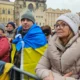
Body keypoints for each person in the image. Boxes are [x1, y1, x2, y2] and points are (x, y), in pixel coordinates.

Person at [35, 13, 80, 80]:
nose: (59, 27)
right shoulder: (51, 44)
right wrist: (49, 77)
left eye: (63, 24)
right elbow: (40, 68)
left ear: (72, 28)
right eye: (57, 25)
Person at [11, 10, 48, 80]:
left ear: (33, 22)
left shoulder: (38, 35)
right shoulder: (17, 33)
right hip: (17, 68)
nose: (25, 22)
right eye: (23, 20)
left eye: (28, 20)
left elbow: (44, 54)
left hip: (31, 72)